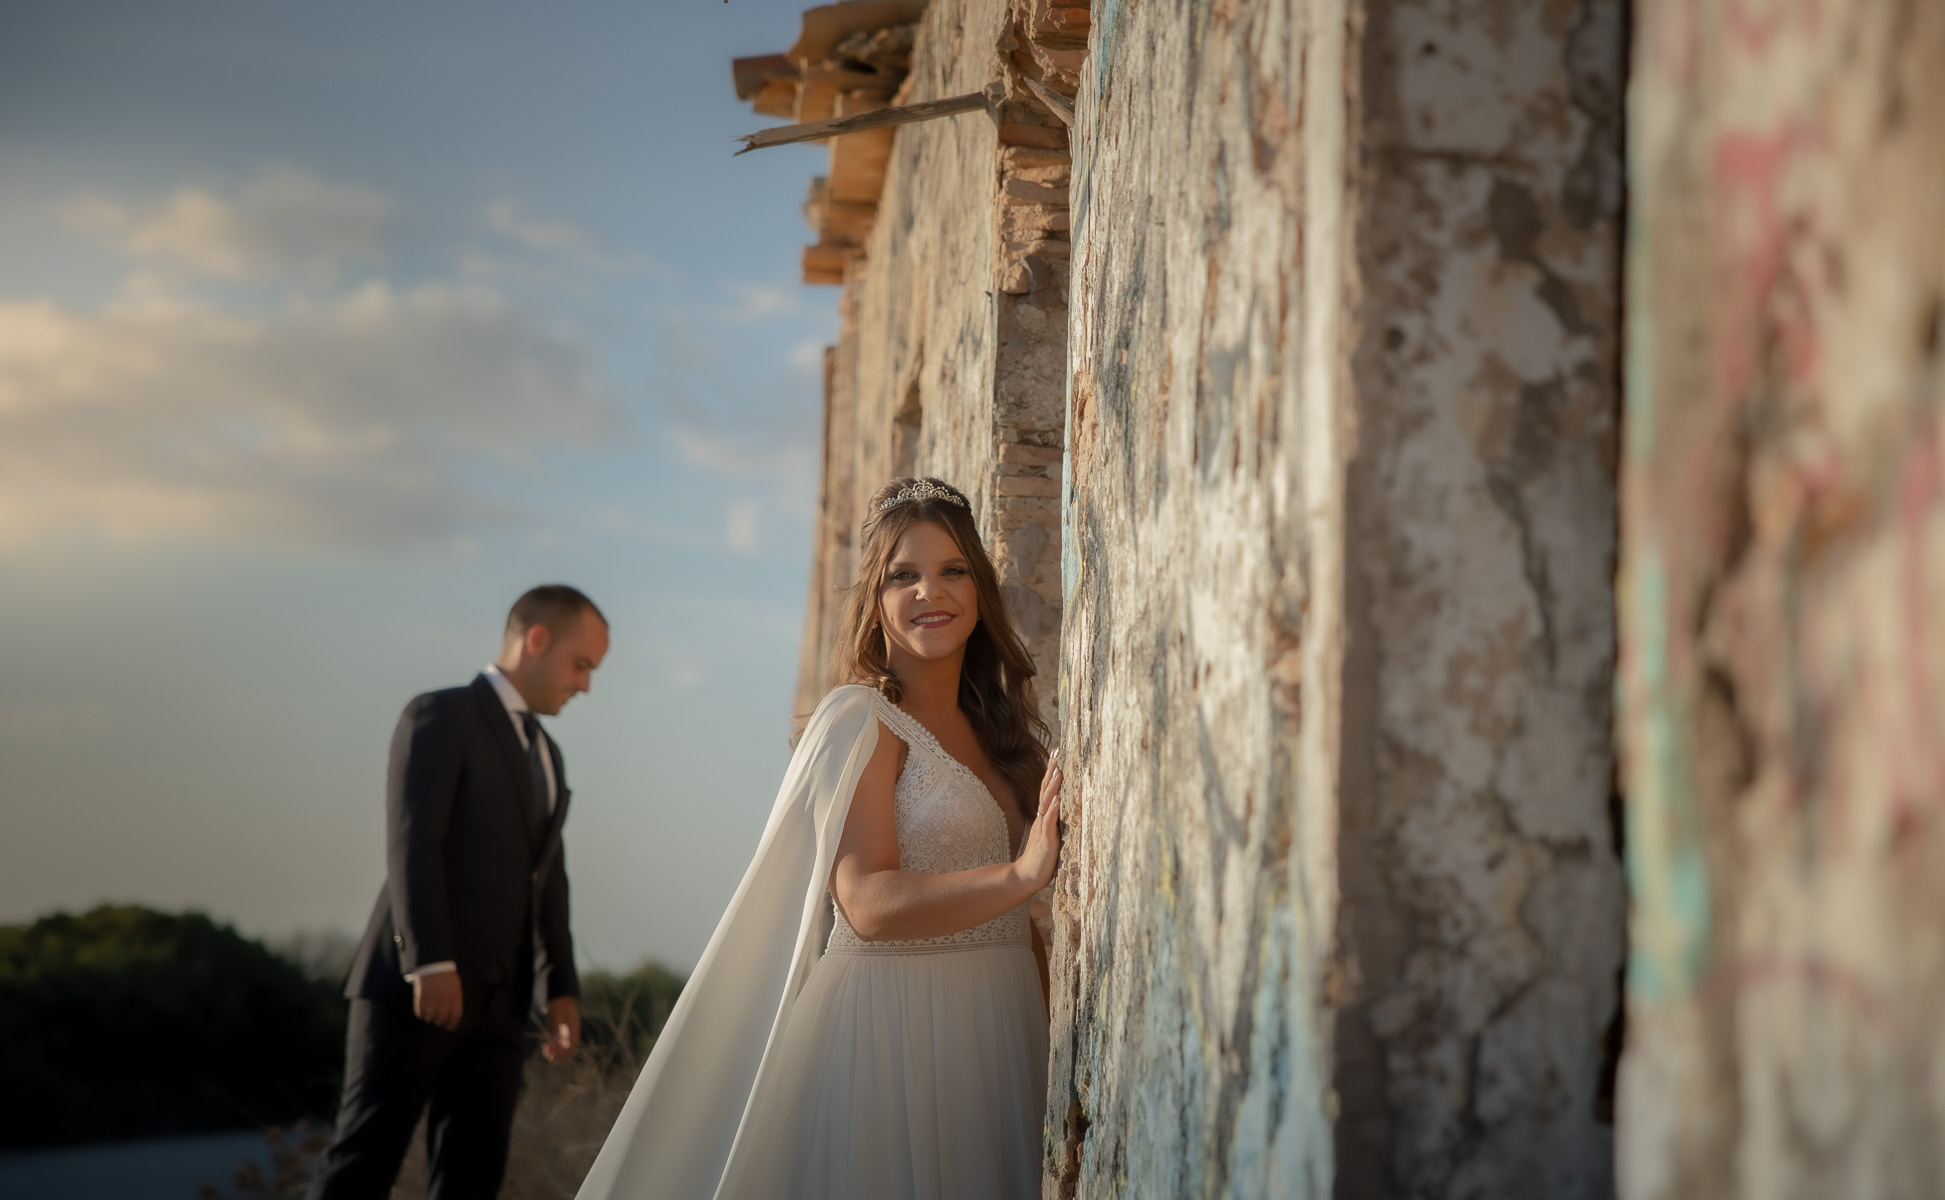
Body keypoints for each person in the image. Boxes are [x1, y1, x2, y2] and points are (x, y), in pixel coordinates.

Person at [578, 477, 1062, 1200]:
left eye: (952, 569)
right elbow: (866, 900)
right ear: (875, 600)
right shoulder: (858, 720)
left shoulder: (1005, 735)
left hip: (1000, 1031)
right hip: (892, 1037)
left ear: (979, 589)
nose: (930, 591)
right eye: (904, 575)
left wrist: (1049, 1030)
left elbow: (1017, 926)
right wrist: (1022, 876)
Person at [311, 585, 611, 1200]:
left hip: (502, 1010)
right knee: (359, 1170)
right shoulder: (439, 715)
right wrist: (431, 961)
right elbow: (412, 842)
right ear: (536, 640)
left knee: (472, 1183)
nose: (586, 686)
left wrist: (560, 989)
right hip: (413, 992)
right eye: (581, 665)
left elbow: (548, 877)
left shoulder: (549, 755)